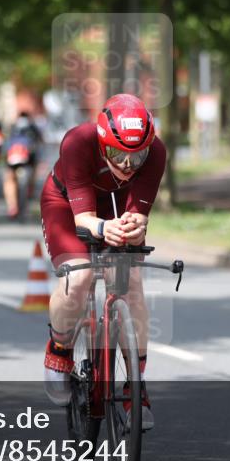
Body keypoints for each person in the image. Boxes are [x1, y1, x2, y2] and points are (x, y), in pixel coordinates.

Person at [40, 94, 166, 430]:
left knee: (133, 282)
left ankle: (134, 387)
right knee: (79, 277)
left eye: (136, 156)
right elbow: (84, 220)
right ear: (101, 141)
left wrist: (136, 228)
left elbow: (137, 215)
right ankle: (60, 347)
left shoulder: (157, 154)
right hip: (68, 206)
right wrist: (103, 228)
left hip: (113, 207)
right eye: (116, 154)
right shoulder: (78, 142)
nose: (127, 165)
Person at [2, 112, 43, 220]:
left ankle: (12, 206)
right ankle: (30, 189)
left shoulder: (12, 127)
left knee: (9, 179)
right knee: (32, 174)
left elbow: (6, 143)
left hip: (13, 155)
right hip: (29, 157)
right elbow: (40, 142)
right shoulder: (33, 127)